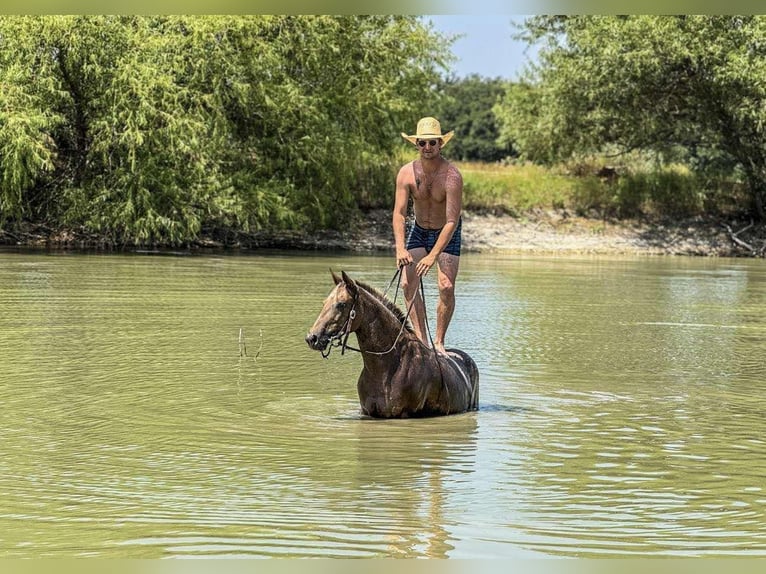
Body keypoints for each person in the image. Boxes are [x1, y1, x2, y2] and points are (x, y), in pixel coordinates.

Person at [393, 116, 463, 355]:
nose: (427, 148)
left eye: (432, 143)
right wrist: (400, 248)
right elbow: (399, 214)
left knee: (446, 286)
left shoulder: (452, 176)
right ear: (416, 144)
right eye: (423, 143)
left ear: (440, 144)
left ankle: (440, 342)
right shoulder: (406, 174)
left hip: (447, 231)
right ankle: (422, 341)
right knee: (407, 282)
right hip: (420, 230)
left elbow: (452, 220)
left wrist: (432, 256)